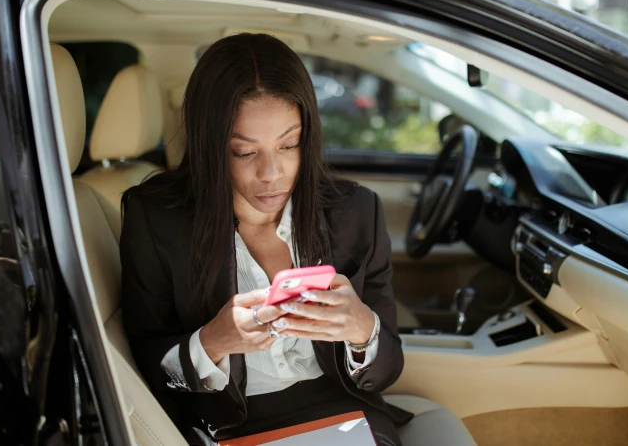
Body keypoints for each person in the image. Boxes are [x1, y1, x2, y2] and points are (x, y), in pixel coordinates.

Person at [120, 33, 413, 446]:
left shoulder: (356, 212)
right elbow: (145, 369)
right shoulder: (155, 219)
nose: (271, 173)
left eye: (289, 144)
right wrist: (212, 341)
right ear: (210, 145)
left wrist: (363, 329)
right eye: (244, 152)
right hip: (228, 423)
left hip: (344, 413)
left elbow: (388, 368)